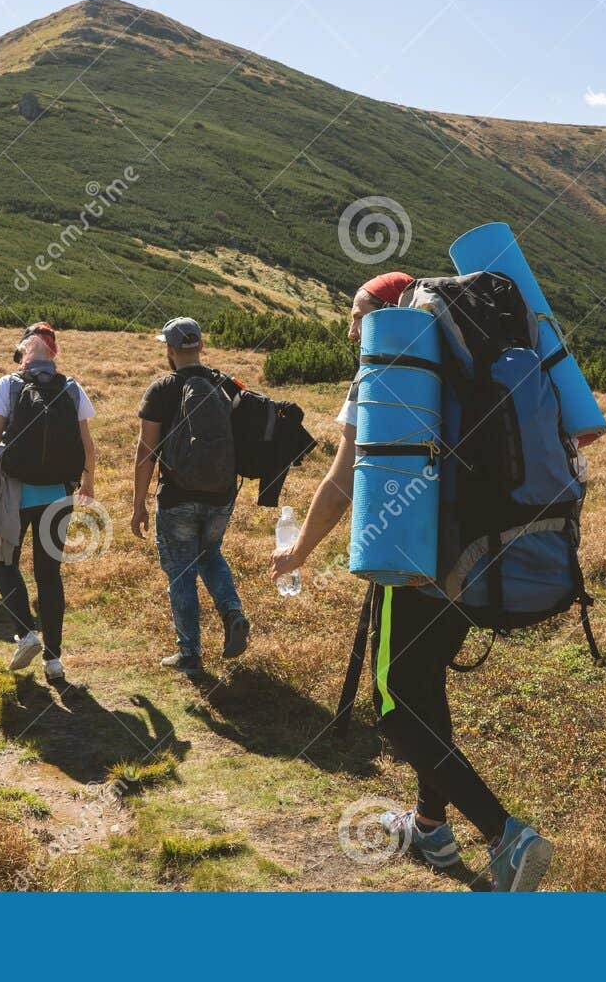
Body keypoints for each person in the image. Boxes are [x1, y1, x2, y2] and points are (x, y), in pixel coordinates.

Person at [269, 271, 556, 892]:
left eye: (359, 313)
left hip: (409, 570)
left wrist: (299, 551)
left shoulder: (389, 371)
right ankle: (430, 825)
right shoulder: (465, 373)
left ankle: (507, 835)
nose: (352, 328)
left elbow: (343, 481)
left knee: (397, 707)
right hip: (471, 559)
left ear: (390, 313)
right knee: (427, 693)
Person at [0, 323, 96, 681]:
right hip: (58, 496)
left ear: (22, 353)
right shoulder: (71, 387)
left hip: (14, 494)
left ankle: (26, 632)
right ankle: (53, 662)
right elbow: (87, 445)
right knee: (49, 575)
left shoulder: (9, 384)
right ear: (54, 354)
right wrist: (89, 483)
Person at [131, 317, 250, 676]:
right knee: (210, 554)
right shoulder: (226, 385)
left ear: (169, 350)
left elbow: (145, 453)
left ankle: (190, 655)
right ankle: (232, 612)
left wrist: (138, 505)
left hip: (177, 497)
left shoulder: (161, 389)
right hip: (221, 494)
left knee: (181, 573)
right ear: (199, 346)